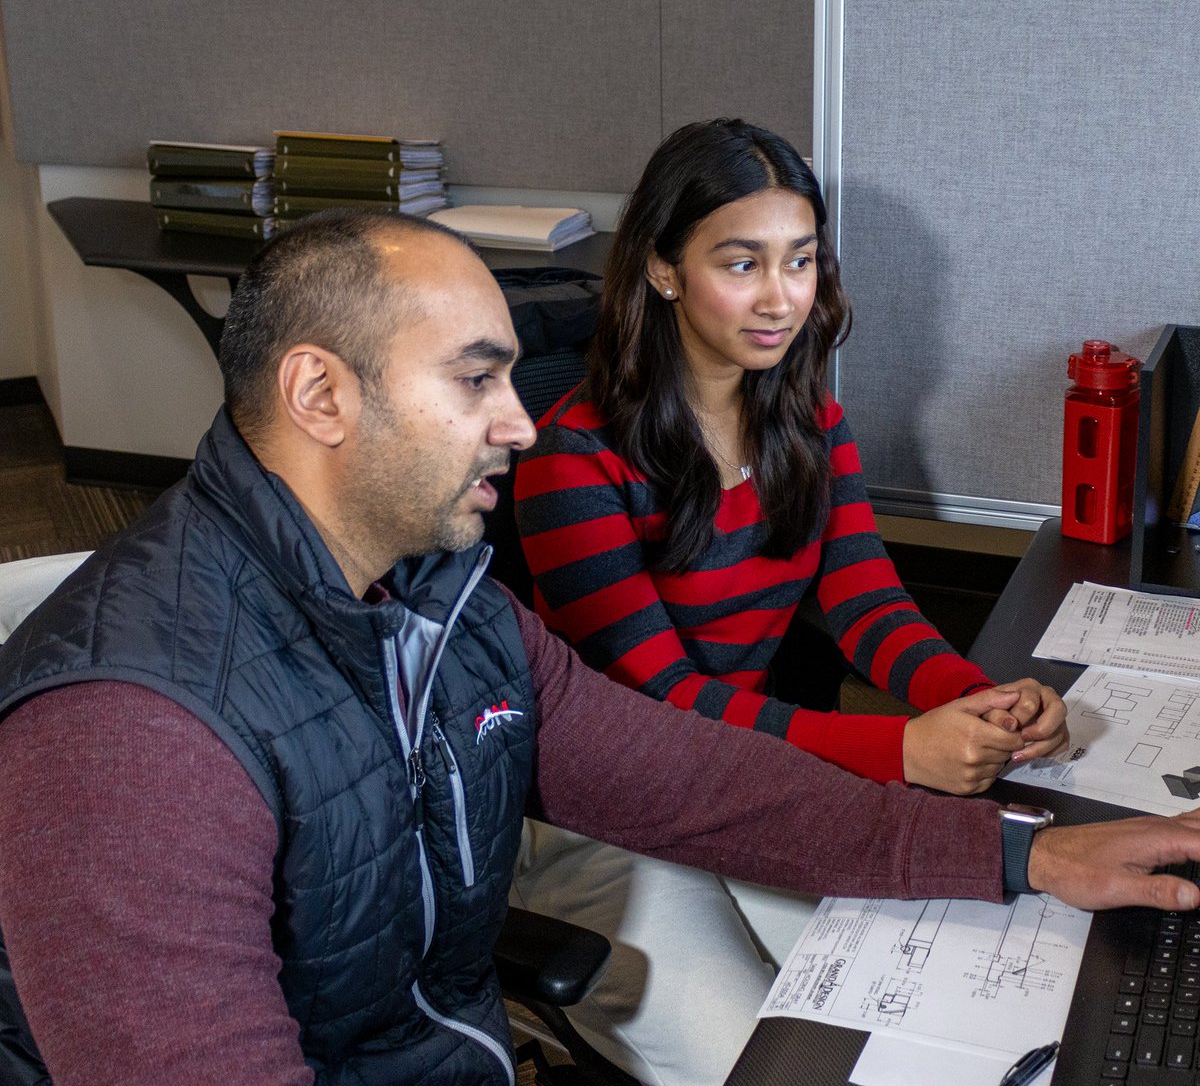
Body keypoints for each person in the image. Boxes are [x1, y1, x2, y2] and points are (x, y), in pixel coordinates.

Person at [0, 211, 1196, 1086]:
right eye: (477, 379)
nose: (520, 424)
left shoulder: (443, 598)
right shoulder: (127, 740)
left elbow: (688, 781)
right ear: (320, 395)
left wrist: (1025, 855)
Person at [511, 118, 1070, 1083]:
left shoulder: (807, 419)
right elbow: (661, 701)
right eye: (742, 264)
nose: (781, 298)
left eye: (800, 261)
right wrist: (899, 750)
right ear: (663, 270)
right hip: (596, 812)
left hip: (742, 780)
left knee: (912, 990)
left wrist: (975, 697)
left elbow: (866, 602)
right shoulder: (574, 457)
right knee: (771, 1063)